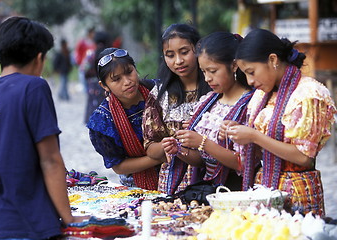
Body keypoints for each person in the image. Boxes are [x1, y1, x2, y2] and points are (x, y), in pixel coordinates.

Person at [0, 16, 87, 239]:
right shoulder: (34, 86)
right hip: (27, 222)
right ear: (39, 58)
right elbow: (50, 159)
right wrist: (69, 218)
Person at [222, 28, 336, 216]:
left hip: (298, 193)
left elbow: (304, 157)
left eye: (251, 72)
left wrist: (254, 136)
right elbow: (259, 151)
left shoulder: (308, 94)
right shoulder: (261, 96)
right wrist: (238, 133)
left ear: (273, 60)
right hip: (263, 190)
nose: (249, 81)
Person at [162, 32, 254, 191]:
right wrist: (180, 149)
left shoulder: (251, 104)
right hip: (209, 188)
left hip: (237, 189)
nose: (207, 79)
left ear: (233, 65)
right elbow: (203, 160)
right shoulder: (208, 101)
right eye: (204, 72)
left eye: (213, 71)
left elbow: (243, 162)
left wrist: (203, 142)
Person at [142, 23, 212, 195]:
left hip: (211, 178)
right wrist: (168, 145)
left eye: (184, 52)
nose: (178, 61)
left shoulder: (214, 87)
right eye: (170, 55)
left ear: (197, 49)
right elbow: (150, 146)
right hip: (172, 182)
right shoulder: (160, 95)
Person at [87, 48, 162, 190]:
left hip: (179, 173)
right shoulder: (103, 120)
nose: (127, 82)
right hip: (137, 186)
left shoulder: (159, 91)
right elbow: (119, 166)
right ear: (104, 85)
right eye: (116, 79)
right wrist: (158, 157)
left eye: (129, 72)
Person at [83, 31, 110, 124]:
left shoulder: (91, 55)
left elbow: (85, 70)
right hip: (107, 84)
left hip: (93, 85)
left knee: (93, 105)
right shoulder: (110, 55)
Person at [75, 27, 96, 93]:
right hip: (84, 65)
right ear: (89, 33)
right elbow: (77, 52)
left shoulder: (94, 42)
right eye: (93, 33)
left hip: (92, 66)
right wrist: (79, 62)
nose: (94, 34)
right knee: (84, 82)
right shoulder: (82, 42)